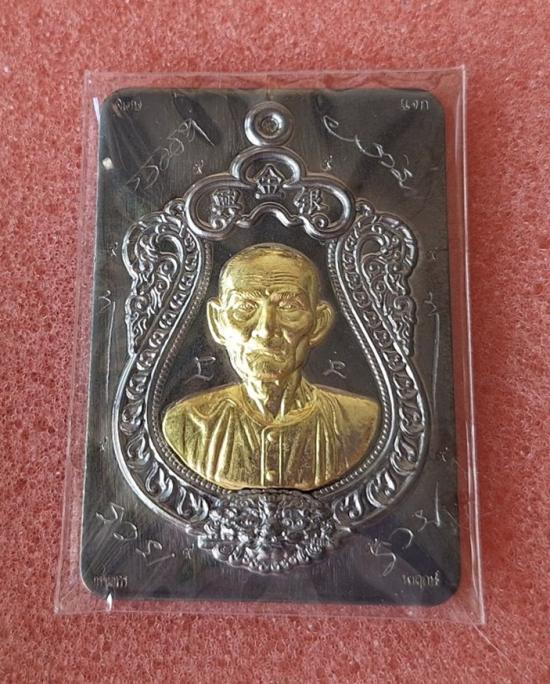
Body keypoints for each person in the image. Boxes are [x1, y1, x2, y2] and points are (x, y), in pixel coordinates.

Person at [162, 243, 380, 490]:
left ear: (319, 323)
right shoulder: (187, 423)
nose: (266, 331)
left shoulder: (357, 421)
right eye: (245, 307)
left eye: (288, 307)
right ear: (217, 321)